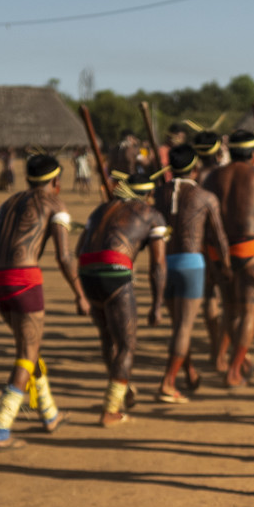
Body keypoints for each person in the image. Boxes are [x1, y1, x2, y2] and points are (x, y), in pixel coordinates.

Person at [0, 153, 87, 449]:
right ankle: (0, 427)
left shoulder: (7, 204)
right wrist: (80, 294)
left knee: (29, 348)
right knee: (27, 353)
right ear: (56, 181)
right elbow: (63, 256)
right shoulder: (56, 205)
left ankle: (49, 413)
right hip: (23, 280)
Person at [75, 168, 169, 426]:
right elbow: (158, 265)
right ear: (148, 194)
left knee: (108, 337)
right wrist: (157, 304)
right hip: (114, 272)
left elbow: (78, 248)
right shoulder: (151, 214)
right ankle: (110, 410)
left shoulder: (100, 210)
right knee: (127, 345)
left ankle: (122, 390)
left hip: (86, 271)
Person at [203, 130, 254, 384]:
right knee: (249, 311)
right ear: (253, 155)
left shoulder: (212, 178)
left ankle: (236, 357)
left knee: (230, 309)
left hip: (218, 251)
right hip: (249, 250)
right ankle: (234, 368)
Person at [150, 144, 226, 403]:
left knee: (179, 326)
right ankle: (168, 383)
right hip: (192, 264)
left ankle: (189, 372)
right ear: (195, 169)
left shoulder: (159, 193)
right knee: (184, 327)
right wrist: (226, 267)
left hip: (164, 263)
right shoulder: (205, 197)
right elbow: (219, 237)